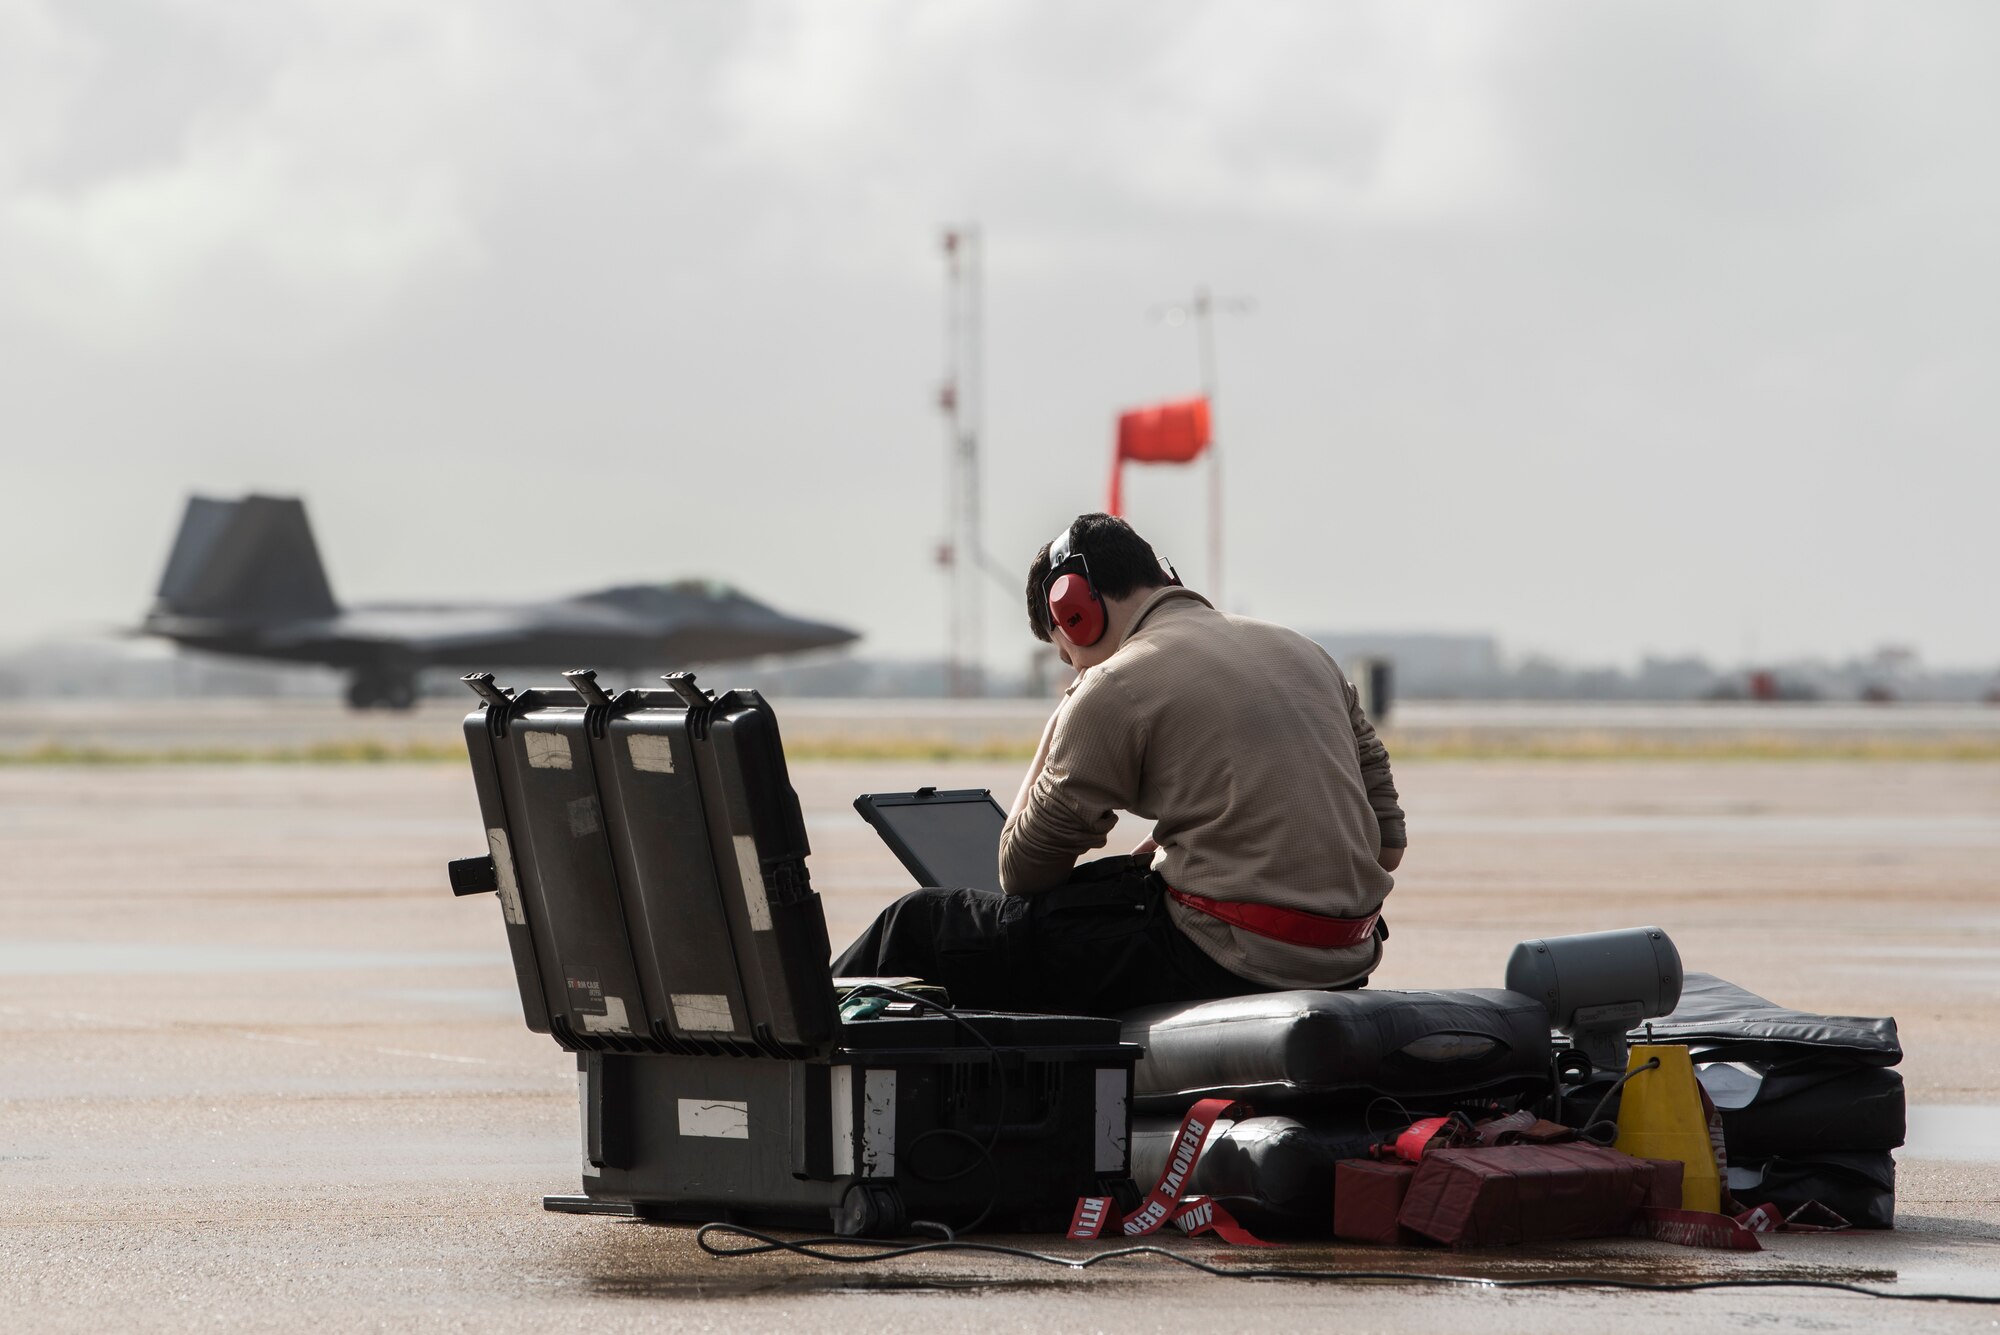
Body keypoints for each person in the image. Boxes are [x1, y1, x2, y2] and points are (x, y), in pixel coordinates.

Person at [833, 512, 1405, 1014]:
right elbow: (1387, 844)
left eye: (1067, 653)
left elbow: (1023, 871)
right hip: (1345, 957)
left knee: (924, 925)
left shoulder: (1114, 682)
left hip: (1224, 956)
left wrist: (1069, 708)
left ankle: (790, 1059)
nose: (1073, 668)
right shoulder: (1305, 652)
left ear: (1074, 612)